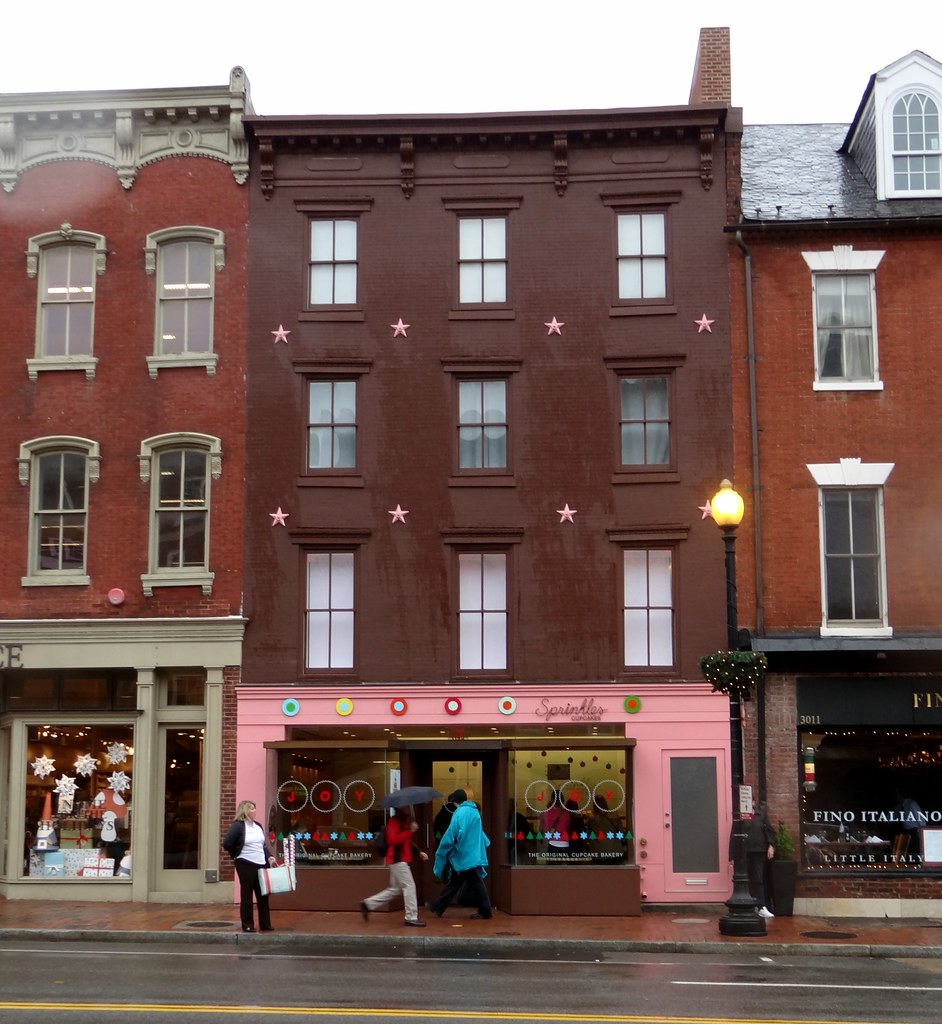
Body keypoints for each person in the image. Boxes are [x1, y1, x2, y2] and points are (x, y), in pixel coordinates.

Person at [426, 788, 493, 920]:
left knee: (476, 883)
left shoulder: (460, 812)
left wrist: (444, 848)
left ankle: (485, 911)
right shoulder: (475, 812)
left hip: (465, 855)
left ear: (456, 802)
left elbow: (454, 833)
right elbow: (480, 833)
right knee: (456, 882)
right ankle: (438, 907)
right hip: (474, 854)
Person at [359, 808, 428, 927]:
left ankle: (368, 904)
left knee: (395, 889)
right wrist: (410, 831)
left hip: (398, 860)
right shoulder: (394, 822)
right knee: (409, 886)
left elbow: (406, 841)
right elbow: (393, 840)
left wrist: (418, 851)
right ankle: (411, 917)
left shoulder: (401, 822)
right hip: (397, 860)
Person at [223, 799, 277, 933]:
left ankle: (265, 924)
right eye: (251, 808)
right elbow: (227, 843)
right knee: (247, 894)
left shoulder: (258, 826)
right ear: (245, 811)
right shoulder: (238, 826)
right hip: (245, 862)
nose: (254, 811)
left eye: (255, 808)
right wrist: (236, 855)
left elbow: (262, 845)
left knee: (263, 894)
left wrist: (269, 857)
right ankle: (247, 924)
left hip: (261, 863)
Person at [735, 802, 775, 918]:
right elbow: (735, 833)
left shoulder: (761, 814)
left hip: (759, 851)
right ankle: (745, 906)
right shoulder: (741, 815)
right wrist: (732, 855)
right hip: (744, 852)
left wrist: (771, 846)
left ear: (753, 802)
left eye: (750, 800)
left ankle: (761, 907)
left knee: (758, 879)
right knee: (743, 879)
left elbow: (770, 830)